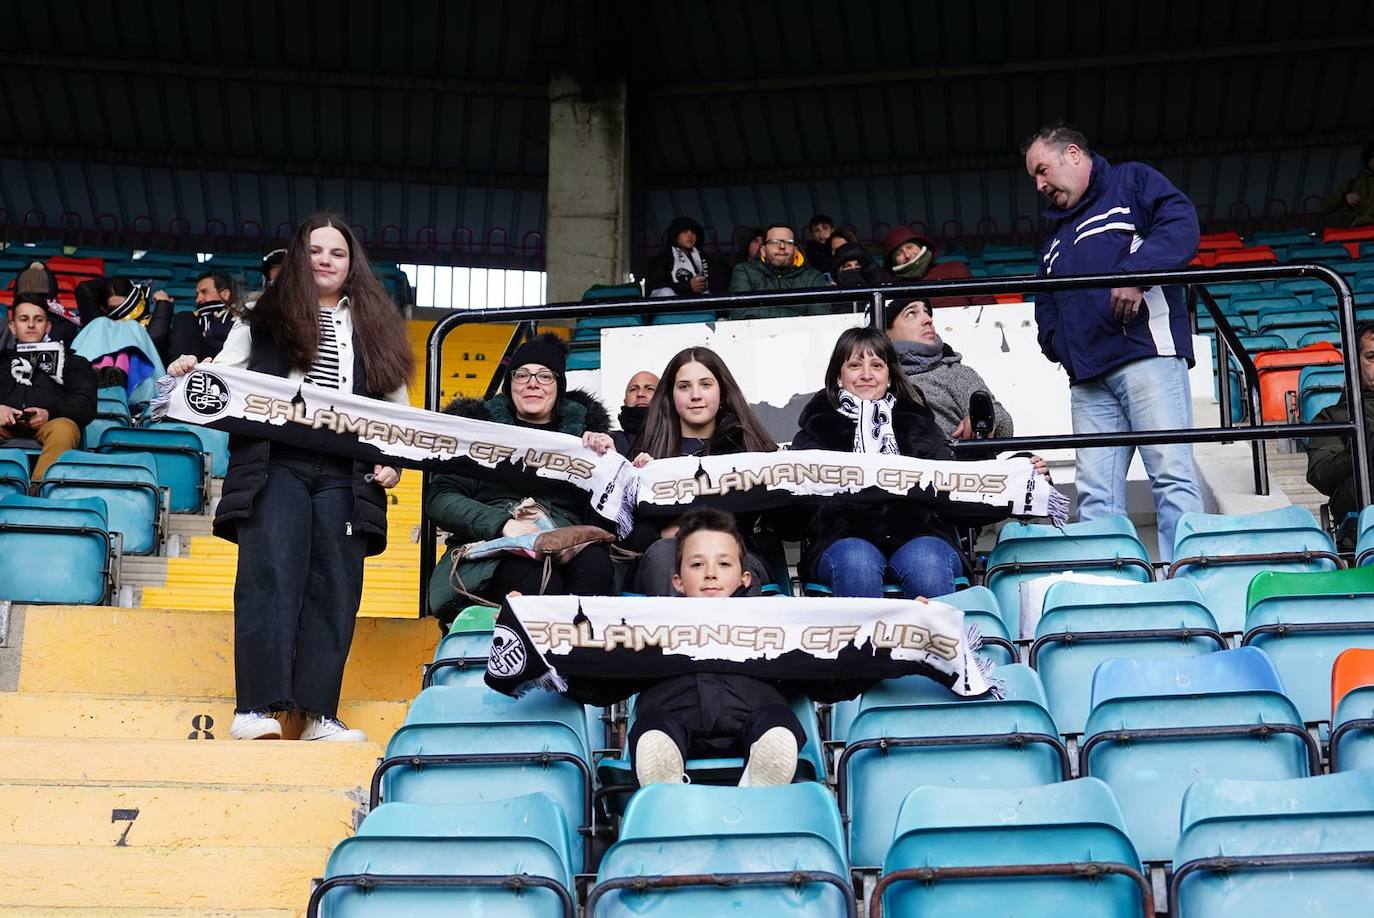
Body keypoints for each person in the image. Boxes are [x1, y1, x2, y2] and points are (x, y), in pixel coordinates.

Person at [166, 213, 414, 743]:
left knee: (336, 588)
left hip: (347, 472)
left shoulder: (377, 321)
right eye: (315, 251)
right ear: (299, 257)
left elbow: (397, 407)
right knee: (269, 576)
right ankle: (255, 709)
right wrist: (192, 372)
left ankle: (318, 714)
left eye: (337, 253)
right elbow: (225, 375)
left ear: (353, 265)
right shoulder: (262, 311)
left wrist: (392, 459)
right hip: (276, 461)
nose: (325, 260)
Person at [1022, 121, 1202, 558]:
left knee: (1170, 474)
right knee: (1095, 494)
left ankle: (1192, 580)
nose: (1040, 185)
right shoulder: (1053, 237)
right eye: (1034, 179)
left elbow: (1181, 223)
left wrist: (1136, 274)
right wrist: (1058, 343)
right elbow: (1045, 302)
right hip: (1088, 378)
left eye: (1043, 170)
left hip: (1146, 358)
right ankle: (1109, 591)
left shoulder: (1132, 181)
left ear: (1073, 154)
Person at [424, 333, 616, 623]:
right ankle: (533, 667)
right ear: (509, 383)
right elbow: (440, 498)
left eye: (545, 376)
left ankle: (582, 664)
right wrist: (504, 524)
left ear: (559, 386)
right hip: (493, 553)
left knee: (596, 564)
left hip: (566, 546)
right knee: (536, 577)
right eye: (522, 375)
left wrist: (607, 467)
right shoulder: (476, 433)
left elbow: (612, 519)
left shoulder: (586, 441)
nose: (532, 383)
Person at [630, 508, 805, 787]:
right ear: (677, 581)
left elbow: (819, 669)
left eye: (724, 564)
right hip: (674, 712)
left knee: (778, 723)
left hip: (752, 711)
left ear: (745, 577)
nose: (711, 574)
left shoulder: (771, 620)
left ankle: (764, 776)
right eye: (697, 565)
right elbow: (606, 677)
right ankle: (663, 781)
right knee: (653, 728)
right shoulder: (649, 625)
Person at [625, 347, 779, 595]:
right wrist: (659, 529)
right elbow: (626, 534)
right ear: (671, 396)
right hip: (667, 556)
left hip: (739, 554)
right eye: (684, 387)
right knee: (665, 553)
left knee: (730, 561)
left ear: (722, 392)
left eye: (705, 385)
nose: (695, 395)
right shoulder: (647, 452)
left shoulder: (751, 448)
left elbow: (786, 525)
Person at [885, 299, 1013, 439]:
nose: (927, 319)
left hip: (954, 457)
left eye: (927, 312)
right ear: (885, 333)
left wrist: (982, 419)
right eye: (911, 314)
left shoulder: (956, 372)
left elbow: (1003, 423)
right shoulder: (870, 378)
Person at [0, 298, 96, 478]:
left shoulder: (73, 362)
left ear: (48, 326)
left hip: (51, 423)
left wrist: (49, 413)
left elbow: (86, 404)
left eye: (38, 319)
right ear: (12, 327)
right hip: (6, 422)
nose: (30, 325)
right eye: (23, 319)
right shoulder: (2, 360)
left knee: (65, 428)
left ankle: (40, 492)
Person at [1307, 321, 1374, 535]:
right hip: (1363, 516)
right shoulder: (1332, 417)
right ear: (1354, 363)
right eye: (1372, 357)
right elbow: (1321, 475)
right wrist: (1367, 447)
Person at [728, 223, 830, 318]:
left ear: (795, 250)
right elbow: (739, 311)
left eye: (788, 243)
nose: (782, 246)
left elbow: (818, 319)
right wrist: (796, 318)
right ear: (763, 250)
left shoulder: (813, 276)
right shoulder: (745, 271)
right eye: (774, 242)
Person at [882, 226, 992, 309]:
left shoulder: (955, 269)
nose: (907, 255)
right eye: (899, 253)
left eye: (910, 247)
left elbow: (987, 305)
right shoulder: (894, 287)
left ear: (921, 247)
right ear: (893, 263)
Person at [645, 217, 729, 298]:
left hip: (696, 304)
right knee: (665, 292)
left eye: (693, 232)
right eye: (684, 232)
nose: (690, 235)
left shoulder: (705, 258)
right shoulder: (662, 258)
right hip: (671, 306)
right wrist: (688, 286)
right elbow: (656, 286)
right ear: (675, 236)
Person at [169, 271, 241, 361]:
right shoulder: (189, 320)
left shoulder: (241, 319)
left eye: (204, 292)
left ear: (225, 294)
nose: (198, 299)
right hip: (193, 369)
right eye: (197, 294)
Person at [1320, 142, 1374, 228]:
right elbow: (1324, 206)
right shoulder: (1354, 184)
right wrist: (1344, 198)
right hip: (1362, 231)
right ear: (1368, 161)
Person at [612, 369, 658, 455]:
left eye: (650, 389)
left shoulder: (678, 441)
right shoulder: (608, 442)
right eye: (633, 389)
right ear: (625, 401)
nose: (640, 393)